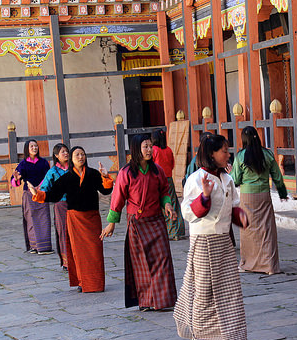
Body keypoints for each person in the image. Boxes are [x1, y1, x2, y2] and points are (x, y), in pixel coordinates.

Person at [174, 134, 257, 340]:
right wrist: (205, 196)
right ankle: (199, 339)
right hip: (203, 241)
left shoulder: (227, 179)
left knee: (230, 291)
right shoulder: (195, 179)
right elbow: (188, 213)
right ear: (211, 154)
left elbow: (235, 206)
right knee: (204, 291)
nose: (228, 154)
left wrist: (243, 219)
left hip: (223, 240)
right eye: (224, 151)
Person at [101, 134, 178, 311]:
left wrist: (167, 205)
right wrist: (112, 223)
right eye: (145, 146)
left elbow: (164, 192)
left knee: (163, 259)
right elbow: (117, 199)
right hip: (137, 222)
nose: (149, 150)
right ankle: (147, 301)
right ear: (136, 149)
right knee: (142, 263)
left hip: (157, 220)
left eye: (150, 146)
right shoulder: (126, 172)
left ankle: (164, 301)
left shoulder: (158, 170)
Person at [28, 147, 113, 293]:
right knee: (78, 253)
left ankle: (96, 283)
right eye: (77, 155)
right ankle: (82, 282)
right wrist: (37, 194)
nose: (81, 157)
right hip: (75, 218)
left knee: (95, 252)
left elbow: (105, 190)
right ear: (72, 159)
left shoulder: (93, 174)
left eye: (83, 154)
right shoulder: (66, 178)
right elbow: (53, 195)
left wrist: (105, 177)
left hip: (92, 218)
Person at [230, 126, 287, 275]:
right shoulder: (267, 154)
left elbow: (235, 180)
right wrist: (282, 192)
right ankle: (269, 266)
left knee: (248, 230)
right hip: (264, 195)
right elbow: (277, 176)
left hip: (248, 196)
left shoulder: (240, 156)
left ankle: (247, 263)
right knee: (266, 229)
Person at [11, 140, 52, 254]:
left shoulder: (43, 162)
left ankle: (45, 246)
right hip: (28, 194)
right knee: (31, 219)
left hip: (42, 193)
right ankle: (34, 246)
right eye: (32, 146)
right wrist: (16, 179)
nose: (34, 148)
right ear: (27, 149)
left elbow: (48, 176)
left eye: (36, 146)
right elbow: (14, 181)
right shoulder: (23, 164)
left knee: (44, 219)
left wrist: (40, 186)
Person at [39, 143, 70, 269]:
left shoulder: (74, 168)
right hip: (61, 204)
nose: (66, 153)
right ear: (56, 155)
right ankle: (67, 261)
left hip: (76, 203)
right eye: (63, 152)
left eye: (67, 151)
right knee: (63, 231)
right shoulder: (52, 172)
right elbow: (44, 188)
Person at [151, 129, 185, 240]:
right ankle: (177, 231)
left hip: (157, 179)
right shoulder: (168, 150)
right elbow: (172, 164)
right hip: (169, 179)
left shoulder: (154, 150)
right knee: (173, 203)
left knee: (162, 205)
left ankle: (167, 232)